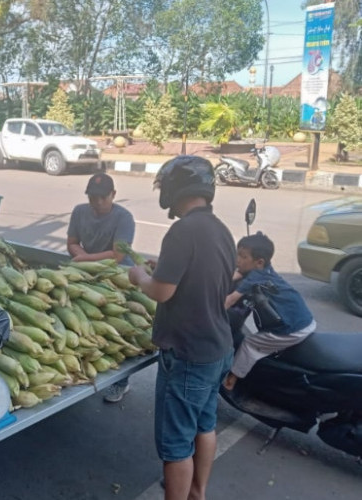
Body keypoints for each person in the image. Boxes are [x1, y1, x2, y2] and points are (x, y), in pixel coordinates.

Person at [128, 156, 235, 500]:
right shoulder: (220, 229)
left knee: (176, 445)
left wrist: (140, 276)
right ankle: (197, 493)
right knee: (204, 425)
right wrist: (163, 268)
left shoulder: (182, 230)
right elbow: (207, 274)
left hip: (188, 352)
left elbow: (161, 291)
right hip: (217, 347)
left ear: (175, 190)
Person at [67, 172, 136, 403]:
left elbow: (118, 255)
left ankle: (121, 381)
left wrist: (86, 260)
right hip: (86, 272)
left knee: (119, 327)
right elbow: (72, 243)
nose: (96, 202)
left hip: (117, 276)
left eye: (102, 198)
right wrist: (84, 259)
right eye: (92, 197)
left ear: (113, 195)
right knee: (87, 322)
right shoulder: (79, 211)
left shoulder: (124, 217)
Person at [222, 232, 316, 391]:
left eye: (242, 256)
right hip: (303, 320)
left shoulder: (255, 278)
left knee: (250, 344)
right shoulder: (264, 271)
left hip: (291, 329)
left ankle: (231, 380)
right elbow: (238, 274)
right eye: (237, 254)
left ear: (259, 262)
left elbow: (230, 300)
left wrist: (206, 311)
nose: (237, 259)